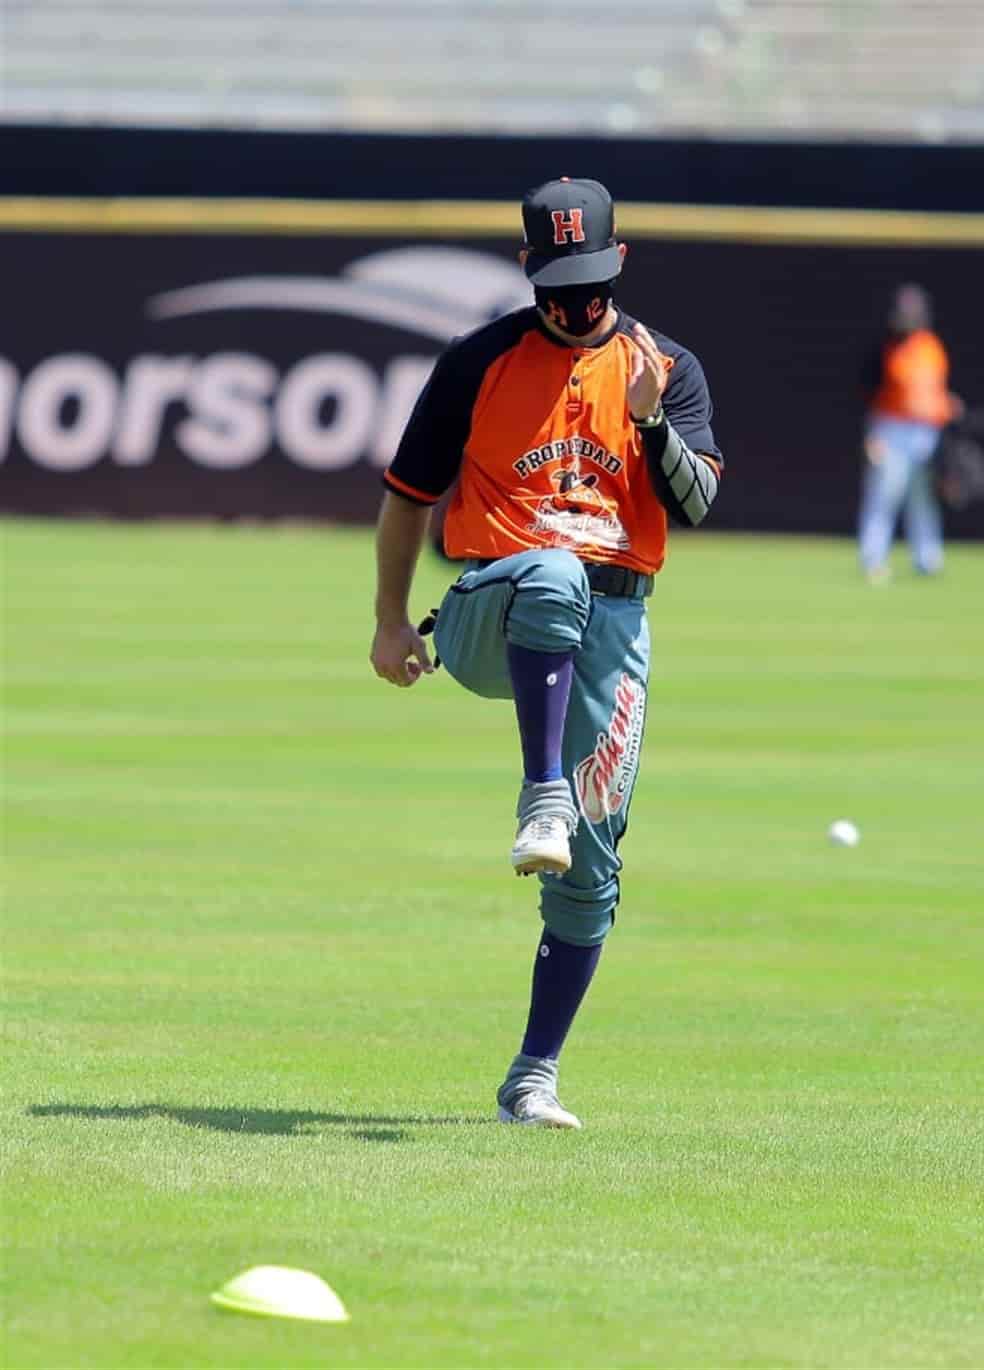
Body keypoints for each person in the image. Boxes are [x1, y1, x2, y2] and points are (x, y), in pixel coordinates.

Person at [368, 177, 724, 1130]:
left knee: (592, 871)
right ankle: (541, 789)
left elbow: (696, 506)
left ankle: (533, 1075)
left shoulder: (668, 368)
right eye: (559, 287)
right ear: (529, 273)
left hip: (617, 623)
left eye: (593, 285)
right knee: (554, 577)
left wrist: (650, 420)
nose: (578, 305)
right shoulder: (477, 362)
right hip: (494, 607)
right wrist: (390, 619)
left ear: (621, 267)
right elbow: (409, 493)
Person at [857, 284, 958, 583]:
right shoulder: (886, 348)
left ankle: (927, 558)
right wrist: (872, 435)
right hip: (891, 429)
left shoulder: (932, 347)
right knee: (884, 494)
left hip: (927, 431)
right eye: (903, 311)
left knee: (924, 496)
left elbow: (936, 391)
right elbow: (868, 394)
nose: (907, 316)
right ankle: (873, 557)